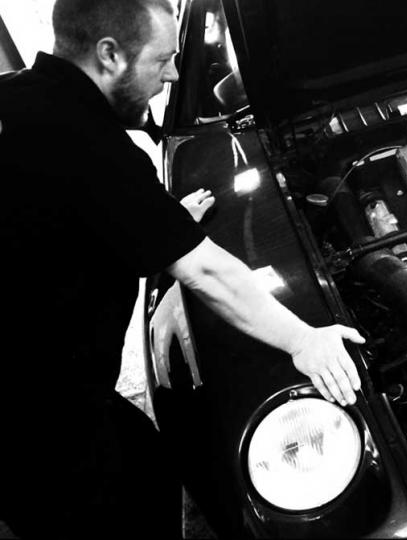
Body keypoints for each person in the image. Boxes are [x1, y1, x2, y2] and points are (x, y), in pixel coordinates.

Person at [0, 0, 363, 536]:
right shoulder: (93, 147)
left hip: (42, 382)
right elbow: (208, 273)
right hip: (36, 419)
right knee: (127, 510)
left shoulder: (16, 97)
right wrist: (303, 340)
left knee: (147, 461)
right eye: (162, 59)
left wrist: (160, 219)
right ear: (109, 56)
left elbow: (62, 215)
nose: (171, 73)